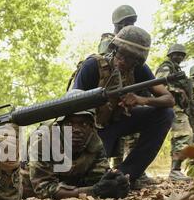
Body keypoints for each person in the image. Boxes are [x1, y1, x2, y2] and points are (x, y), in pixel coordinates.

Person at [72, 26, 175, 189]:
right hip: (91, 131)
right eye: (121, 54)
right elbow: (72, 107)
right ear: (114, 49)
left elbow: (169, 99)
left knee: (165, 114)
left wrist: (141, 99)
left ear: (138, 60)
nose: (123, 61)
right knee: (89, 180)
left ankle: (127, 173)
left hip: (116, 123)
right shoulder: (92, 66)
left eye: (131, 59)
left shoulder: (139, 70)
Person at [21, 107, 130, 200]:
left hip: (72, 184)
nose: (76, 130)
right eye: (69, 123)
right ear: (60, 126)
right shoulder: (43, 139)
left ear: (92, 127)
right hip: (31, 187)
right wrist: (93, 191)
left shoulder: (94, 141)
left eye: (84, 124)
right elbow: (43, 189)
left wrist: (114, 183)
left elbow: (97, 178)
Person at [155, 44, 192, 181]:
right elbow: (157, 85)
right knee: (183, 135)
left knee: (184, 136)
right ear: (170, 55)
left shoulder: (177, 69)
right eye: (176, 54)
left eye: (182, 55)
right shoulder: (166, 67)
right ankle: (175, 171)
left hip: (178, 107)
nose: (179, 57)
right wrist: (178, 91)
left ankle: (176, 170)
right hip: (171, 106)